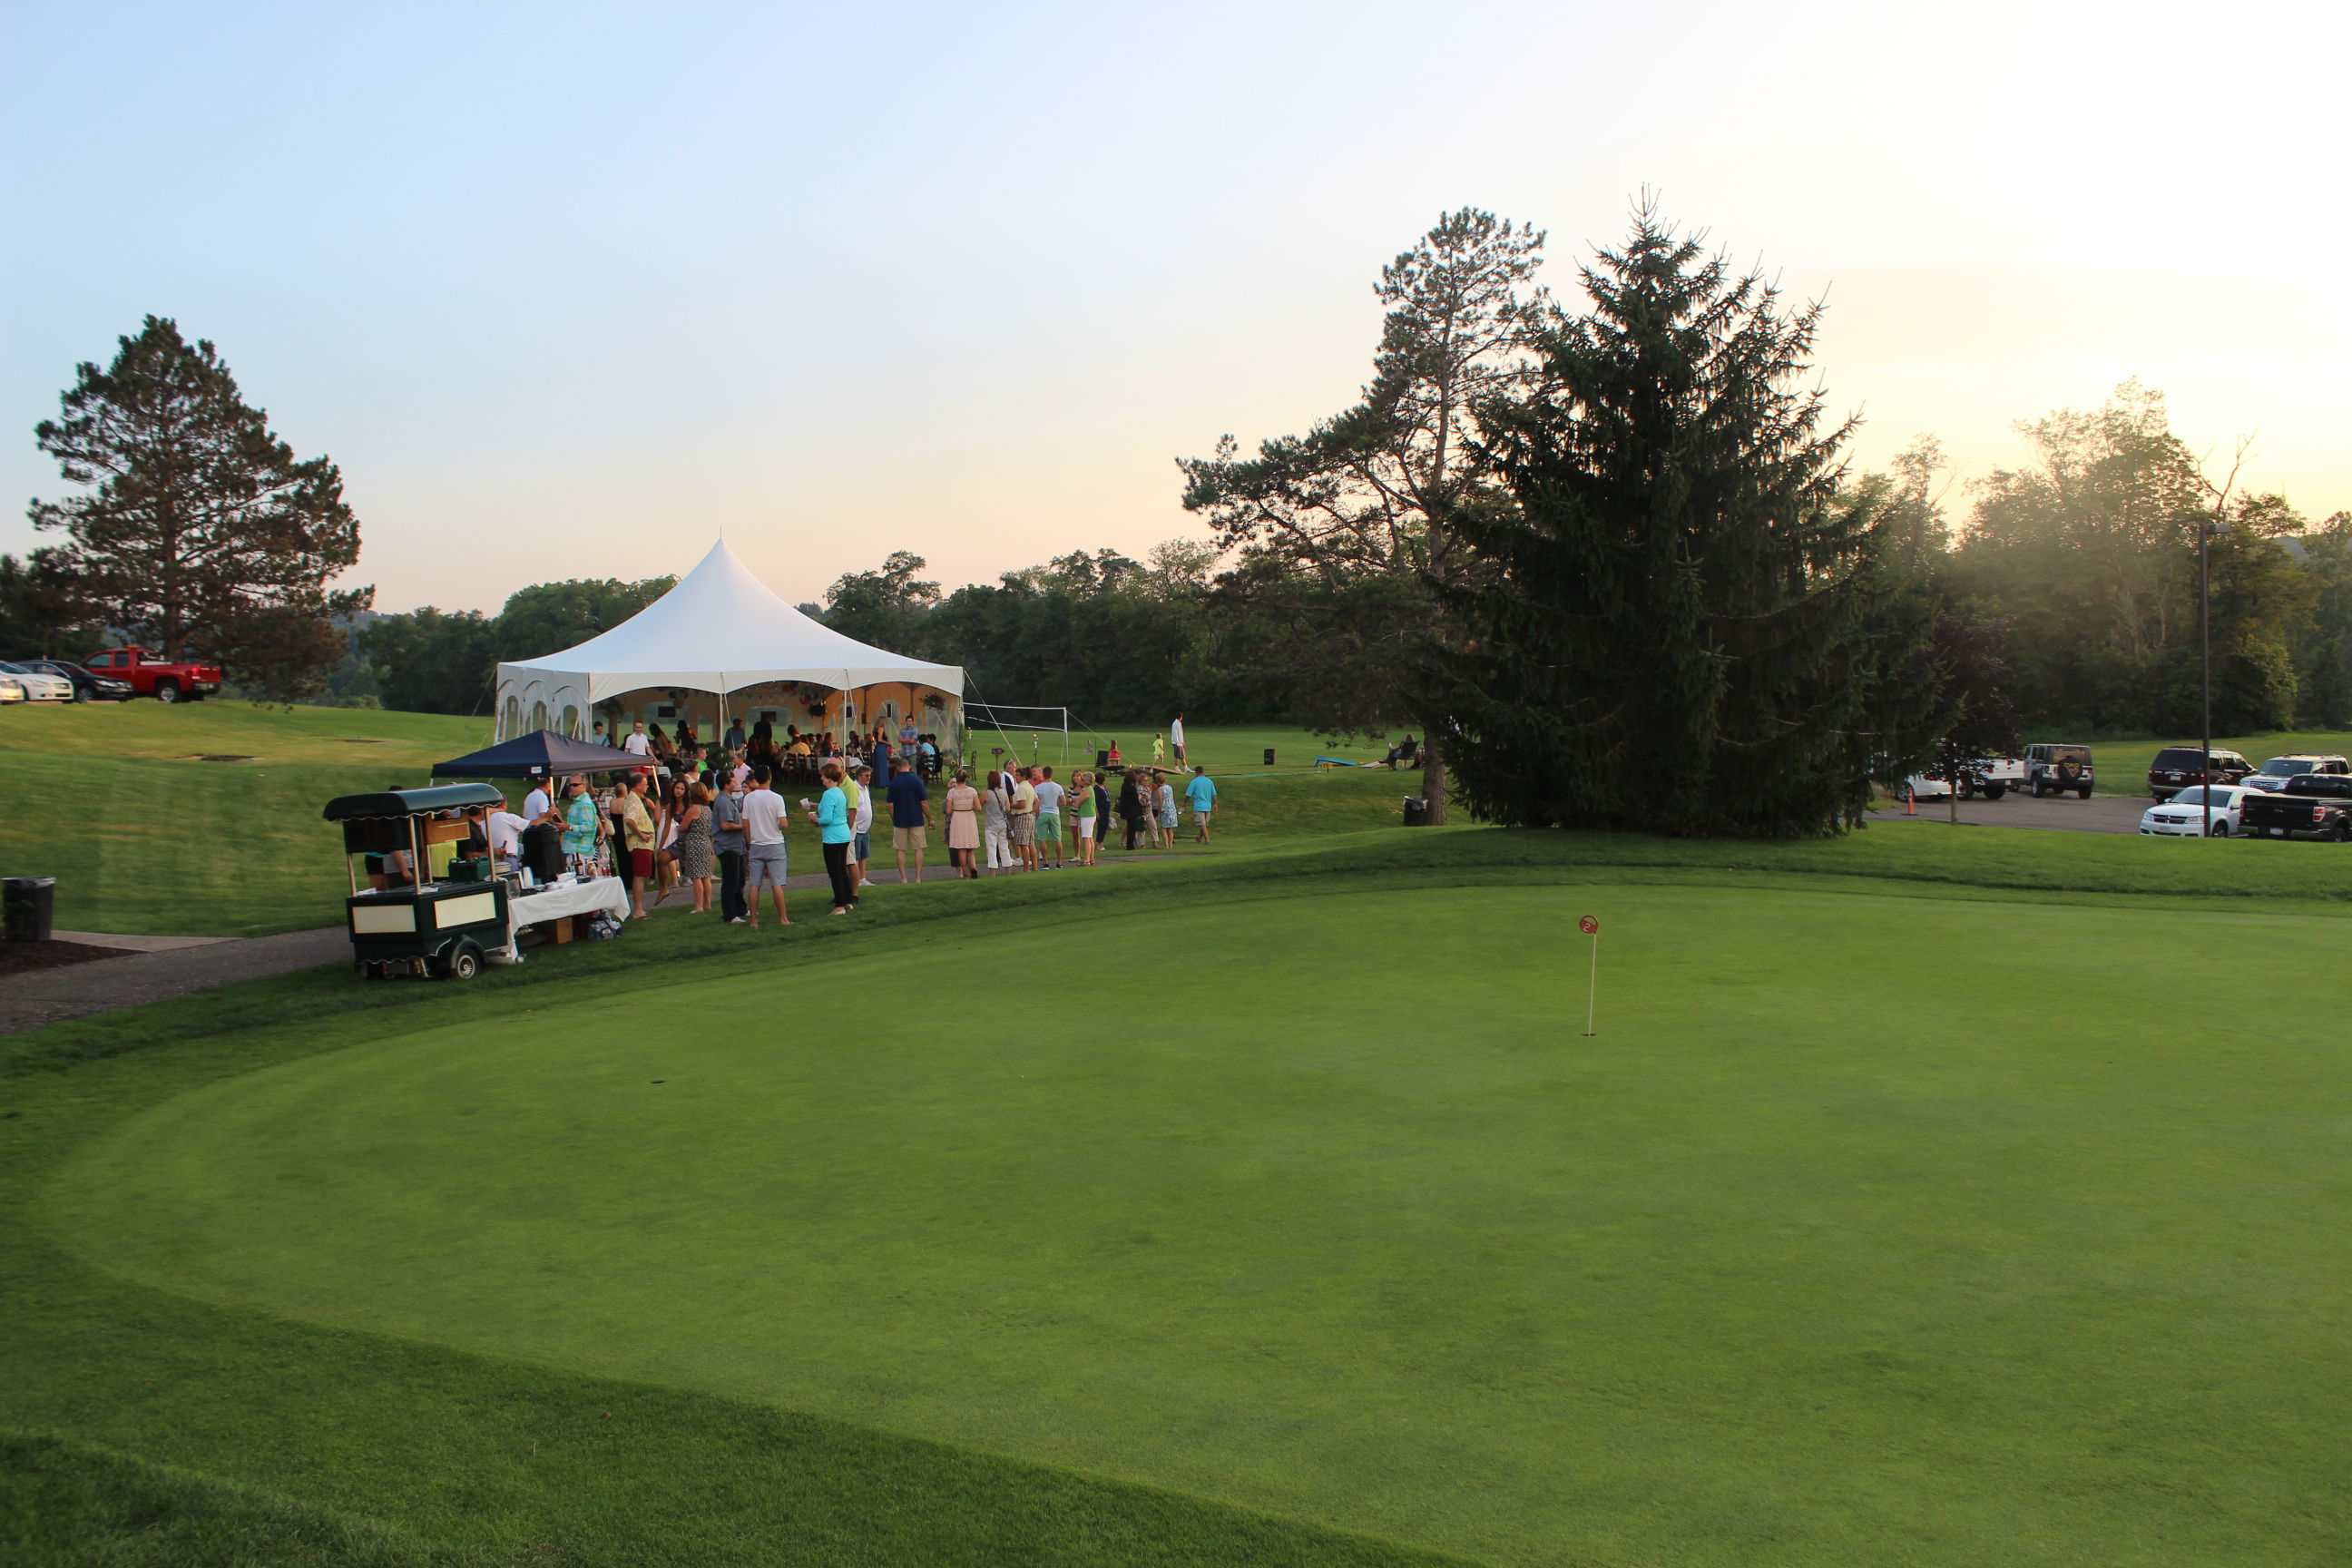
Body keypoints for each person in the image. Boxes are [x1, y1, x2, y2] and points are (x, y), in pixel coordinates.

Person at [803, 760, 858, 915]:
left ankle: (840, 905)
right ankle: (847, 900)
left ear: (828, 777)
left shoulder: (828, 794)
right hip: (843, 834)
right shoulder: (840, 791)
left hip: (833, 837)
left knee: (835, 872)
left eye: (822, 776)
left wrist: (816, 821)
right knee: (841, 869)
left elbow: (826, 819)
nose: (821, 779)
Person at [740, 765, 791, 927]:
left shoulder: (748, 798)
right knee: (776, 884)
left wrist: (750, 842)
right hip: (775, 843)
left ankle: (753, 920)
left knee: (755, 884)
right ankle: (783, 919)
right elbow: (783, 824)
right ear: (770, 777)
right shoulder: (776, 798)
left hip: (756, 844)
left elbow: (745, 824)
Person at [886, 757, 932, 885]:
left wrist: (893, 818)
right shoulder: (917, 781)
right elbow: (923, 803)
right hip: (916, 818)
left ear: (899, 768)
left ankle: (904, 878)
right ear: (910, 767)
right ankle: (918, 878)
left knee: (900, 849)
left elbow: (891, 805)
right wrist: (930, 819)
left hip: (900, 819)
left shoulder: (893, 783)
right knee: (918, 848)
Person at [619, 773, 658, 918]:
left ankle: (639, 909)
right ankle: (638, 910)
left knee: (642, 875)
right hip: (640, 844)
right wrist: (641, 835)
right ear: (638, 785)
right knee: (640, 875)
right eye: (645, 783)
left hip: (643, 844)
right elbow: (629, 819)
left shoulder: (636, 799)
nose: (647, 786)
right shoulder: (634, 800)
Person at [711, 769, 747, 922]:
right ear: (726, 785)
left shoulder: (728, 799)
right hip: (728, 847)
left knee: (739, 880)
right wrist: (744, 826)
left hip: (736, 846)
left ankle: (741, 909)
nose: (736, 784)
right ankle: (730, 914)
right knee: (731, 882)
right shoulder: (724, 802)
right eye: (733, 782)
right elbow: (726, 825)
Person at [676, 781, 714, 913]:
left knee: (696, 876)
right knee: (705, 875)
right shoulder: (707, 810)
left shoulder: (693, 810)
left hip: (695, 842)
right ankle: (708, 903)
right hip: (705, 842)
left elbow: (682, 827)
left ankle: (698, 906)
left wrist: (676, 826)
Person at [944, 769, 981, 878]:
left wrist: (957, 806)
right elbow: (978, 808)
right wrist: (970, 807)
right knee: (970, 848)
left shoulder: (952, 792)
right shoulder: (972, 791)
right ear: (966, 779)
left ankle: (966, 873)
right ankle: (973, 867)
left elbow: (948, 811)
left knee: (961, 848)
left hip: (958, 818)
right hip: (969, 816)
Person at [561, 776, 602, 873]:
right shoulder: (579, 802)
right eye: (570, 785)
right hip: (575, 851)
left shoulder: (585, 804)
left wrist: (568, 827)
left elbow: (587, 827)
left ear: (583, 785)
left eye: (575, 785)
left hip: (579, 852)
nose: (571, 787)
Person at [982, 768, 1014, 875]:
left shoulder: (987, 793)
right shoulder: (1003, 792)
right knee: (1004, 848)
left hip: (990, 824)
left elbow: (978, 803)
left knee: (991, 848)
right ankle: (1008, 871)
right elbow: (1008, 808)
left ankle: (993, 872)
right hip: (1002, 823)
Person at [850, 763, 877, 889]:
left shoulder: (866, 788)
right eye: (866, 775)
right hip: (856, 828)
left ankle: (862, 878)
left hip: (865, 828)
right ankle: (854, 880)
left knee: (863, 855)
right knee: (854, 856)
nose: (869, 778)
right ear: (859, 776)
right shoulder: (854, 788)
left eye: (870, 775)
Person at [1033, 765, 1064, 868]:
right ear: (1052, 774)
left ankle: (1045, 862)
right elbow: (1063, 801)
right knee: (1057, 839)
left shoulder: (1038, 787)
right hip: (1054, 813)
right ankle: (1059, 863)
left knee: (1042, 839)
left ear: (1043, 775)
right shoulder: (1058, 787)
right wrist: (1056, 803)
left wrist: (1037, 814)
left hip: (1043, 813)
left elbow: (1036, 802)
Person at [486, 799, 529, 875]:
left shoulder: (483, 819)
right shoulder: (508, 817)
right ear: (503, 805)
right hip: (508, 860)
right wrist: (546, 817)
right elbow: (531, 825)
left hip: (489, 861)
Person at [1009, 765, 1038, 869]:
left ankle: (1026, 868)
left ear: (1024, 776)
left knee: (1023, 844)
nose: (1016, 777)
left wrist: (1010, 805)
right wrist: (1032, 811)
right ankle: (1034, 867)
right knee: (1031, 843)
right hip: (1030, 816)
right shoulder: (1030, 786)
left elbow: (1022, 804)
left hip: (1022, 817)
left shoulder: (1021, 788)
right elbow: (1037, 801)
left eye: (1018, 776)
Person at [1070, 769, 1099, 865]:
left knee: (1086, 837)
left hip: (1087, 816)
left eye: (1081, 779)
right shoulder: (1090, 789)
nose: (1080, 781)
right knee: (1090, 837)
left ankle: (1087, 860)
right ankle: (1091, 858)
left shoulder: (1086, 790)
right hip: (1090, 815)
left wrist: (1069, 801)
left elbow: (1077, 803)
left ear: (1085, 781)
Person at [1116, 769, 1145, 851]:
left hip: (1126, 809)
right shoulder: (1131, 787)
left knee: (1130, 827)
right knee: (1132, 828)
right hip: (1132, 810)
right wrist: (1139, 796)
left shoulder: (1124, 785)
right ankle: (1130, 846)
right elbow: (1135, 798)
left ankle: (1130, 844)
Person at [1186, 765, 1217, 842]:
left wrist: (1184, 803)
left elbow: (1188, 795)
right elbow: (1214, 794)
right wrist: (1215, 804)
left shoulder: (1194, 782)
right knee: (1204, 824)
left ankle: (1207, 840)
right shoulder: (1209, 781)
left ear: (1196, 772)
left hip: (1199, 806)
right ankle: (1200, 838)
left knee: (1202, 824)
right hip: (1208, 805)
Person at [1156, 770, 1179, 849]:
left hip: (1164, 810)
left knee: (1164, 828)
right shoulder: (1170, 787)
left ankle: (1166, 845)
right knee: (1170, 829)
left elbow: (1160, 801)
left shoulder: (1160, 789)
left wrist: (1159, 812)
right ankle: (1171, 845)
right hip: (1172, 809)